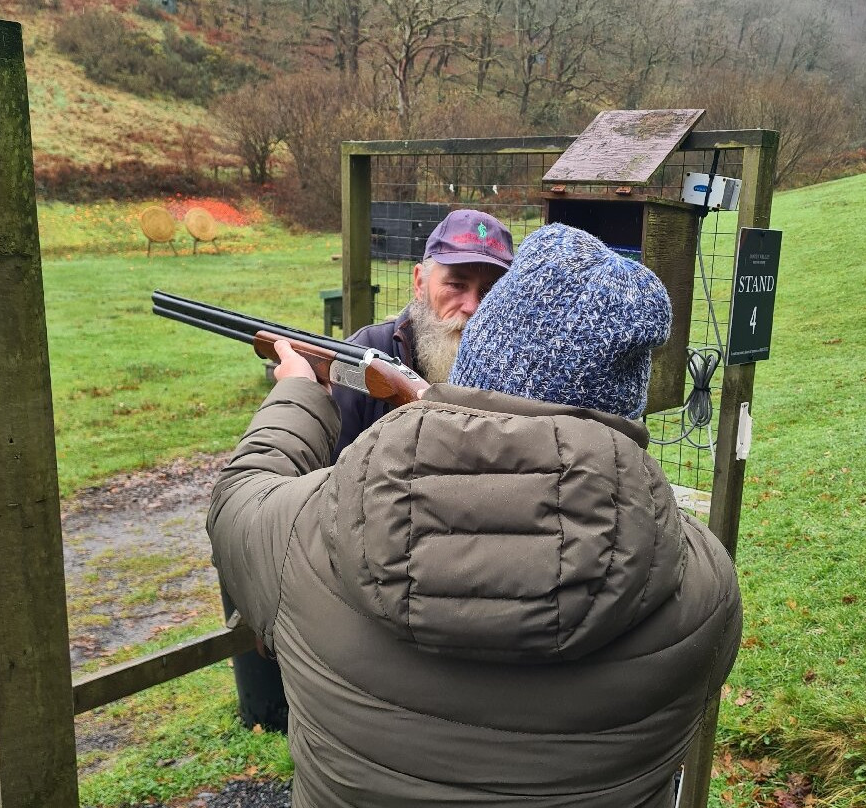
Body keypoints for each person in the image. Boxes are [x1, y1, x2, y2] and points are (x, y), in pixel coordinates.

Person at [208, 223, 742, 808]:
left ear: (481, 355)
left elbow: (239, 497)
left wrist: (297, 395)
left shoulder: (311, 529)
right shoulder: (704, 584)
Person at [331, 208, 513, 458]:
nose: (473, 307)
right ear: (420, 283)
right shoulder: (365, 354)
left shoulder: (519, 372)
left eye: (489, 291)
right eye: (456, 285)